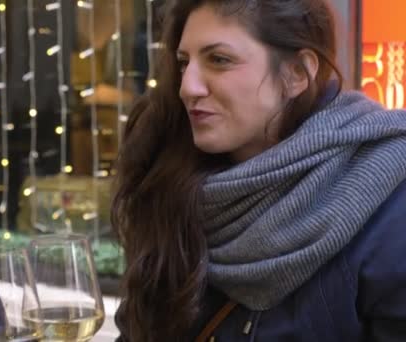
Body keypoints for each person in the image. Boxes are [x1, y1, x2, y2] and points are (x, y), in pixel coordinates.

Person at [111, 0, 406, 341]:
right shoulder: (172, 175)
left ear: (297, 73)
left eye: (219, 60)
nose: (188, 87)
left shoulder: (389, 205)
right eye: (183, 63)